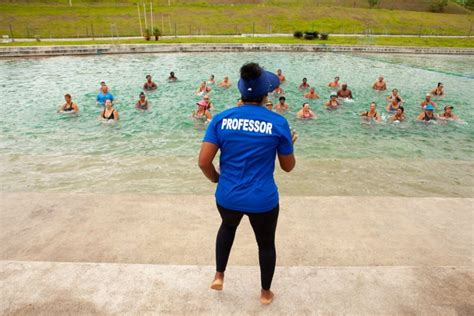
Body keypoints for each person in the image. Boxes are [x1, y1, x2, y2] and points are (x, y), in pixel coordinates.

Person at [198, 62, 297, 305]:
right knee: (265, 244)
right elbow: (288, 167)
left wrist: (217, 179)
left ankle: (219, 275)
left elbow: (203, 162)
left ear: (240, 91)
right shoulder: (278, 123)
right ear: (267, 95)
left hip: (228, 195)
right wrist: (290, 144)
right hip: (262, 199)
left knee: (227, 227)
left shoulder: (221, 119)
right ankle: (265, 293)